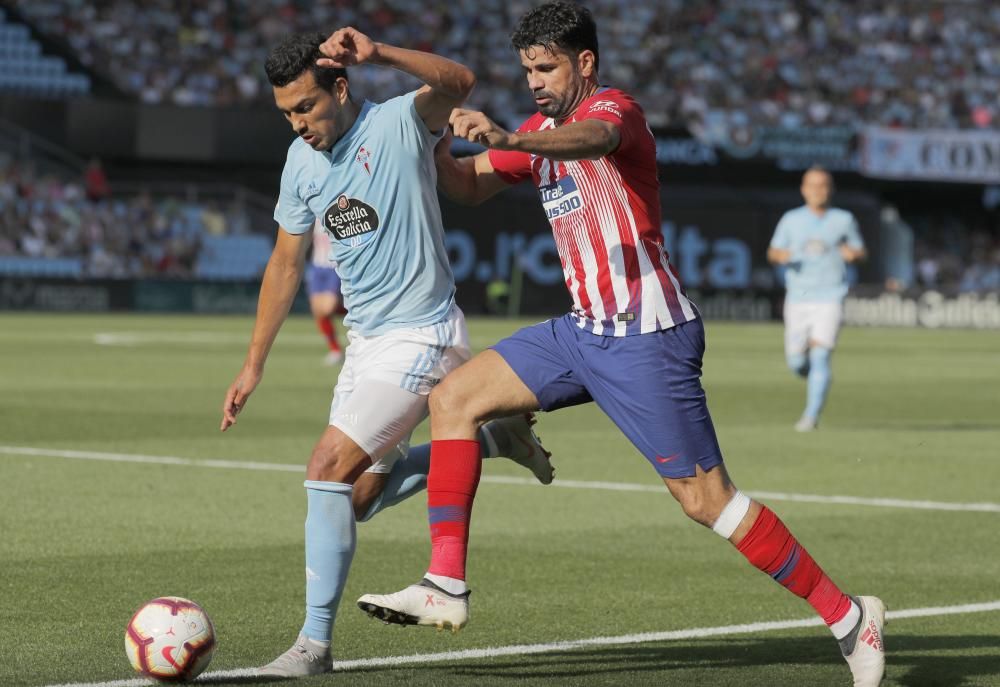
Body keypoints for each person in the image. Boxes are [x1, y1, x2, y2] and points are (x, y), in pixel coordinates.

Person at [357, 4, 885, 686]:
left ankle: (849, 616)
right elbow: (465, 185)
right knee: (453, 398)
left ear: (584, 62)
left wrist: (512, 133)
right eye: (525, 70)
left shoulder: (615, 110)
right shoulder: (539, 132)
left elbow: (595, 139)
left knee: (706, 501)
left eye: (545, 67)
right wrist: (436, 138)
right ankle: (445, 582)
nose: (534, 81)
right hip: (584, 331)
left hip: (648, 336)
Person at [219, 29, 552, 678]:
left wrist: (380, 54)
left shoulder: (399, 121)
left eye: (307, 108)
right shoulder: (301, 163)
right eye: (287, 112)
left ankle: (312, 646)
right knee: (358, 498)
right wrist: (253, 362)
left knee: (325, 467)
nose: (299, 123)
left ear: (340, 88)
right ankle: (493, 441)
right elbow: (286, 262)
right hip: (367, 344)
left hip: (423, 334)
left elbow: (459, 84)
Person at [768, 167, 866, 432]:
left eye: (823, 185)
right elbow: (773, 252)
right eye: (812, 185)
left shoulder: (844, 219)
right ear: (803, 189)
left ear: (830, 189)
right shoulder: (791, 219)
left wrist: (853, 254)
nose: (817, 191)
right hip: (799, 297)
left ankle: (810, 417)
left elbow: (860, 250)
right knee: (798, 364)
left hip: (831, 296)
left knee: (822, 356)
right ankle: (811, 375)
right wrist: (783, 256)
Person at [305, 222, 344, 365]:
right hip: (317, 266)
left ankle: (358, 313)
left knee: (328, 308)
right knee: (318, 310)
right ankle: (335, 351)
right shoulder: (314, 208)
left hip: (333, 266)